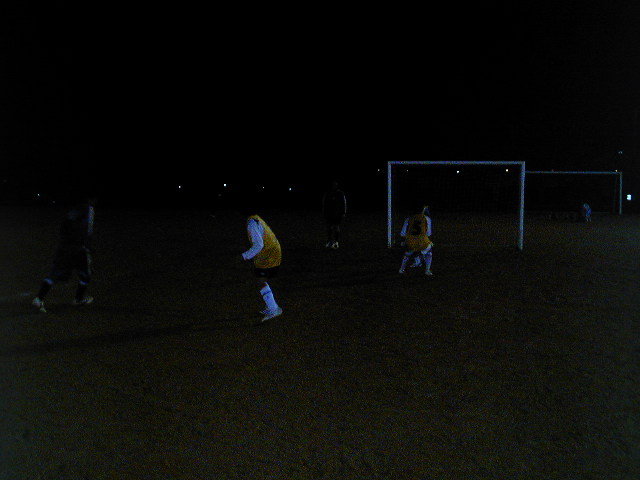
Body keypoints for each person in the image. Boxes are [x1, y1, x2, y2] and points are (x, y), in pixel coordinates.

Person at [32, 197, 96, 313]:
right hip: (79, 248)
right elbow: (84, 230)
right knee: (85, 274)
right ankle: (78, 299)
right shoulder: (85, 209)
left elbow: (67, 224)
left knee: (56, 273)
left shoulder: (79, 209)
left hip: (66, 247)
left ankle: (39, 298)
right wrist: (82, 243)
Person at [240, 203, 283, 322]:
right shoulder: (255, 219)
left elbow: (259, 245)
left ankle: (274, 309)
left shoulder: (252, 223)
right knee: (260, 279)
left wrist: (244, 256)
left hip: (269, 254)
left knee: (260, 280)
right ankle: (271, 306)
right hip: (271, 252)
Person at [398, 206, 433, 275]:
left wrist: (404, 242)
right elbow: (429, 234)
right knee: (429, 251)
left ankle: (401, 269)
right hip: (422, 243)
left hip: (410, 242)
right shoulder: (426, 218)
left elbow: (402, 233)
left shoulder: (408, 219)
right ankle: (427, 270)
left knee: (407, 253)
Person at [322, 180, 346, 249]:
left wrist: (343, 212)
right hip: (329, 213)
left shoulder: (340, 193)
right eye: (333, 185)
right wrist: (324, 211)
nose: (334, 186)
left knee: (336, 226)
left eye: (335, 185)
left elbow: (343, 203)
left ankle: (336, 242)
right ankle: (329, 241)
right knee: (329, 227)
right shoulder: (328, 193)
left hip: (337, 213)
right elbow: (325, 203)